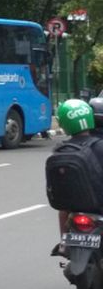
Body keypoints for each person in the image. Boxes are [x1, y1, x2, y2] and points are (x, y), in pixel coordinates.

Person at [50, 99, 103, 256]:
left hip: (73, 205)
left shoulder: (60, 149)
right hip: (98, 203)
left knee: (62, 210)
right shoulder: (99, 146)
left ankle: (64, 244)